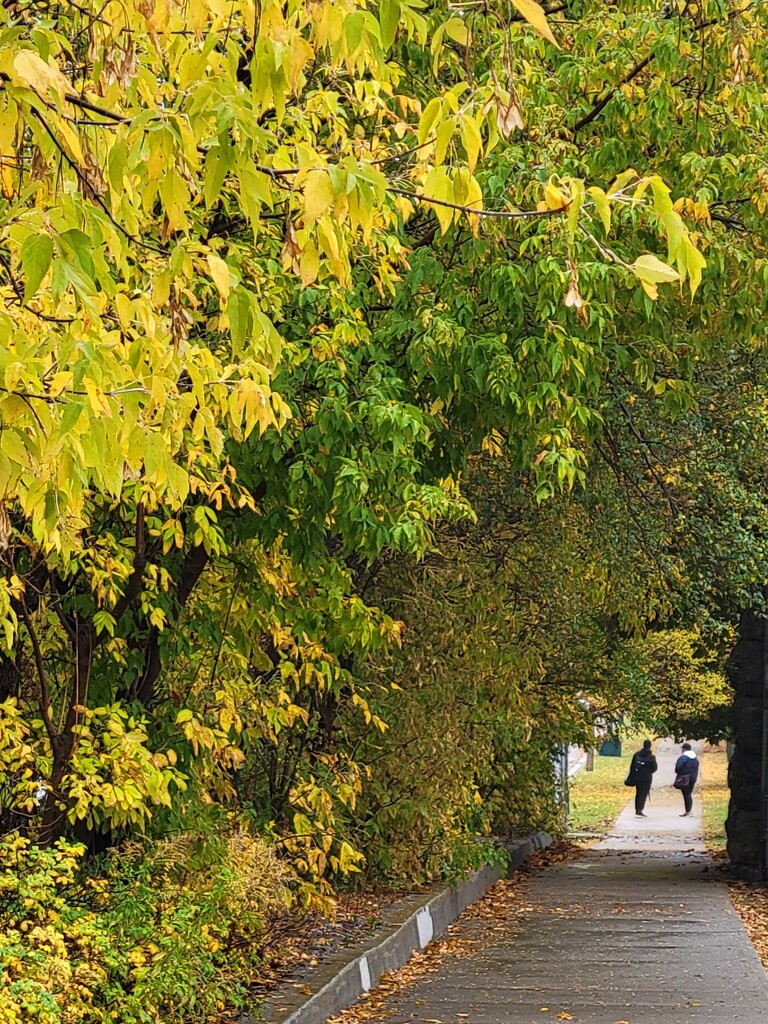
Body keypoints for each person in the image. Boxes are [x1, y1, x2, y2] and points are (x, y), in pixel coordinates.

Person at [628, 739, 658, 816]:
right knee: (644, 793)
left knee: (638, 792)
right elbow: (654, 768)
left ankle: (637, 808)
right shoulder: (651, 757)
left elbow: (632, 766)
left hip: (638, 777)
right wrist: (649, 772)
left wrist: (633, 775)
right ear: (650, 746)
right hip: (647, 778)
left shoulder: (637, 755)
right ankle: (640, 809)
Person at [674, 742, 699, 817]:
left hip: (684, 778)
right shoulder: (695, 758)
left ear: (684, 749)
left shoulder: (683, 758)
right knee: (688, 794)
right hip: (693, 778)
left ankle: (689, 811)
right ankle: (688, 811)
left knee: (686, 794)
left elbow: (678, 768)